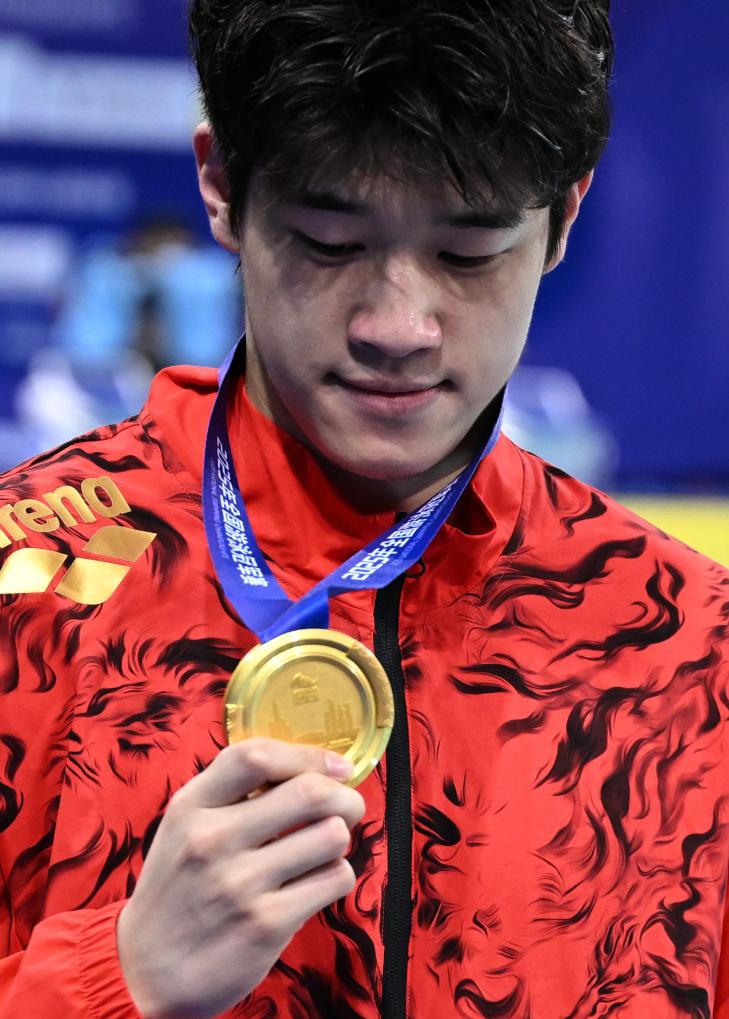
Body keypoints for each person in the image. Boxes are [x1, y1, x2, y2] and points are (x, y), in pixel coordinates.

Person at [0, 2, 728, 1017]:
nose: (398, 325)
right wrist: (115, 980)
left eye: (468, 253)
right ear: (221, 187)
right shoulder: (24, 577)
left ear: (565, 216)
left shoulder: (689, 644)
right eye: (330, 240)